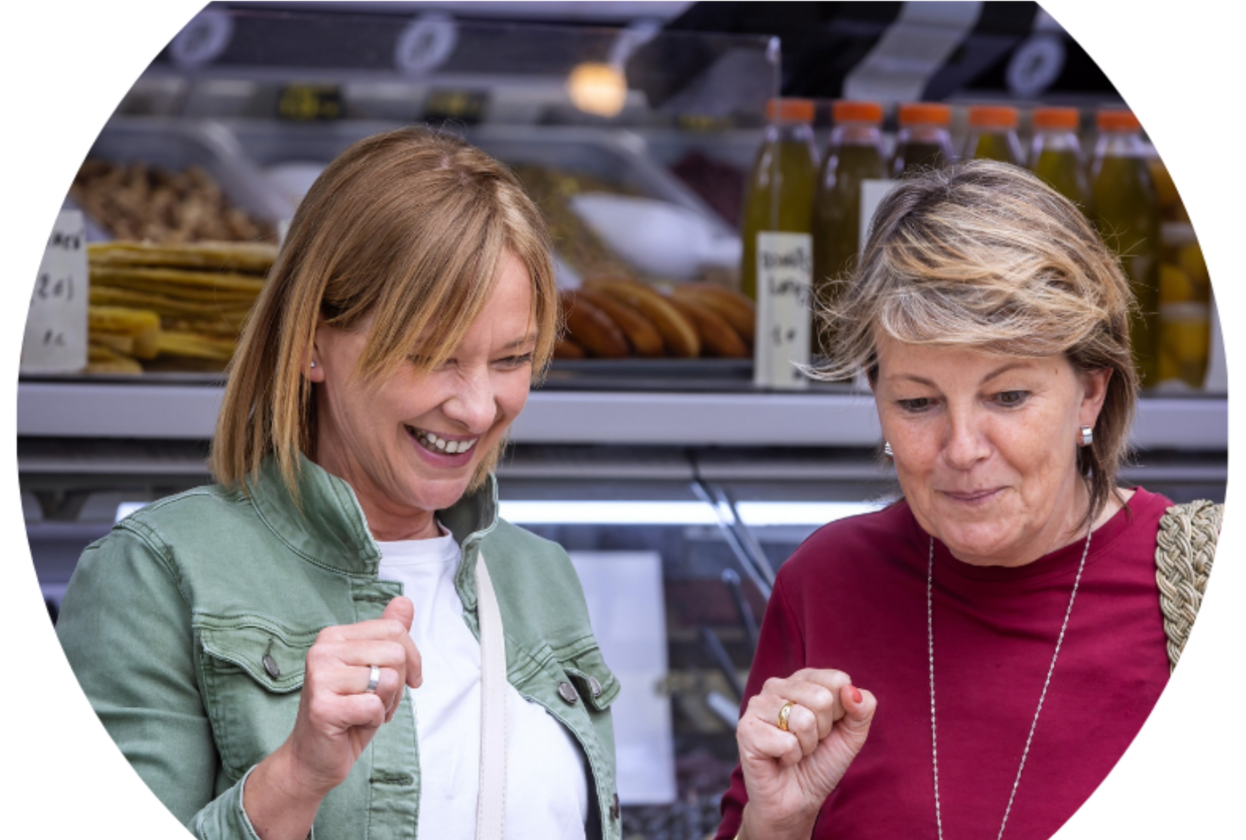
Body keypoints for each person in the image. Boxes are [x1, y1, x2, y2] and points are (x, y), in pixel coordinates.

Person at [55, 127, 621, 840]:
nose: (479, 407)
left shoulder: (541, 576)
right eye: (433, 355)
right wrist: (294, 778)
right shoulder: (156, 574)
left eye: (511, 359)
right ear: (312, 342)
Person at [717, 159, 1215, 839]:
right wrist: (778, 824)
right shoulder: (826, 581)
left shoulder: (1192, 580)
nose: (961, 448)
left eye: (1008, 396)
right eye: (918, 402)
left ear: (1090, 393)